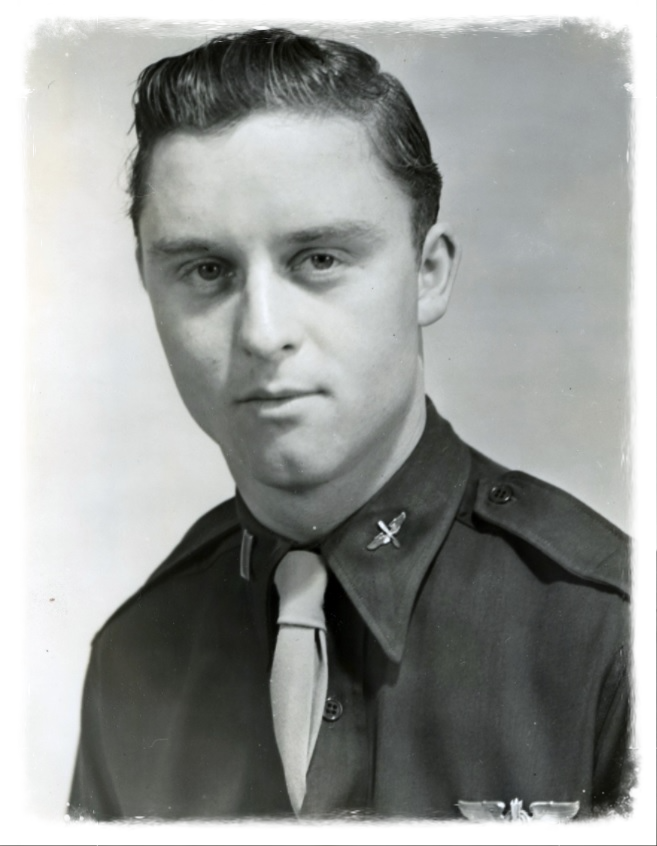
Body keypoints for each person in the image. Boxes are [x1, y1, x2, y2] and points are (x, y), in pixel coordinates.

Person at [68, 28, 631, 822]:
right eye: (205, 270)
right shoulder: (135, 653)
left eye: (319, 259)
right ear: (149, 289)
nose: (262, 332)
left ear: (426, 275)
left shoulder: (609, 630)